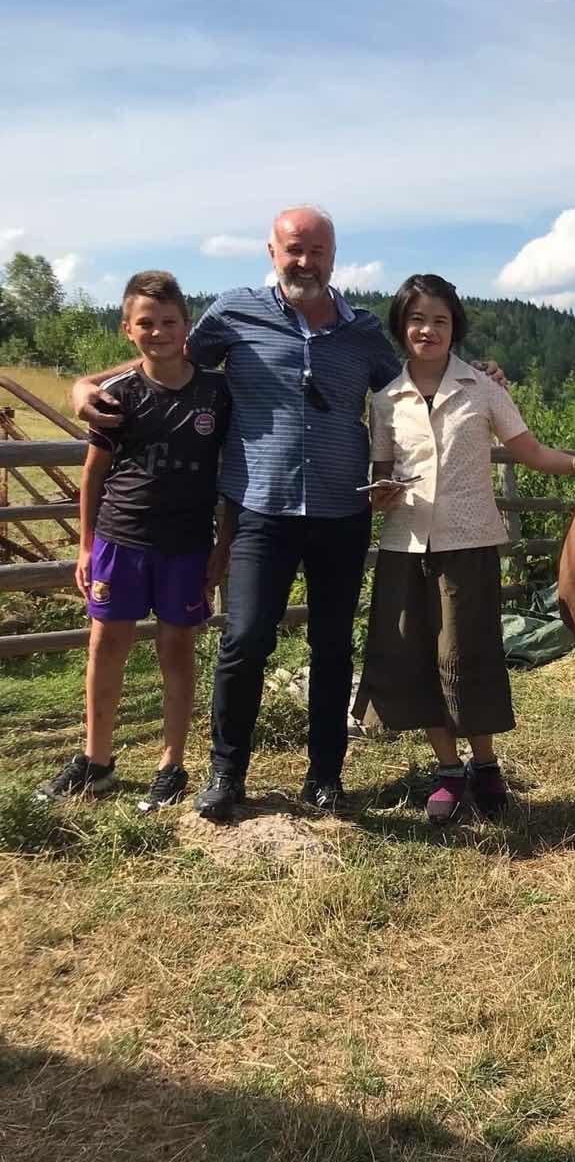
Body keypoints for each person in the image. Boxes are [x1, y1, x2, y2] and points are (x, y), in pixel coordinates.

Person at [69, 207, 504, 822]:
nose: (305, 262)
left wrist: (480, 371)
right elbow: (164, 351)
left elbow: (415, 377)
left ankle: (325, 777)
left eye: (317, 251)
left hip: (339, 511)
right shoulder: (233, 313)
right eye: (293, 249)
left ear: (334, 255)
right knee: (244, 642)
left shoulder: (360, 334)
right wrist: (85, 383)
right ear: (271, 251)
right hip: (258, 511)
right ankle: (226, 773)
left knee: (332, 648)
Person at [360, 274, 575, 824]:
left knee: (467, 655)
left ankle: (485, 765)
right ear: (400, 327)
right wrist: (378, 492)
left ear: (455, 328)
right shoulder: (385, 401)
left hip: (470, 543)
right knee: (417, 659)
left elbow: (527, 450)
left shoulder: (483, 389)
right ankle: (448, 770)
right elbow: (381, 474)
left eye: (439, 320)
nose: (427, 330)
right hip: (405, 545)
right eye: (416, 319)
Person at [36, 272, 230, 811]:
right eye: (146, 322)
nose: (158, 331)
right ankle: (96, 760)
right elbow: (94, 475)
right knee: (106, 644)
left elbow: (230, 476)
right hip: (120, 540)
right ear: (128, 330)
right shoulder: (116, 395)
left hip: (187, 543)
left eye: (169, 321)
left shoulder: (217, 392)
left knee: (177, 647)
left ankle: (172, 763)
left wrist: (224, 545)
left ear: (186, 327)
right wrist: (84, 546)